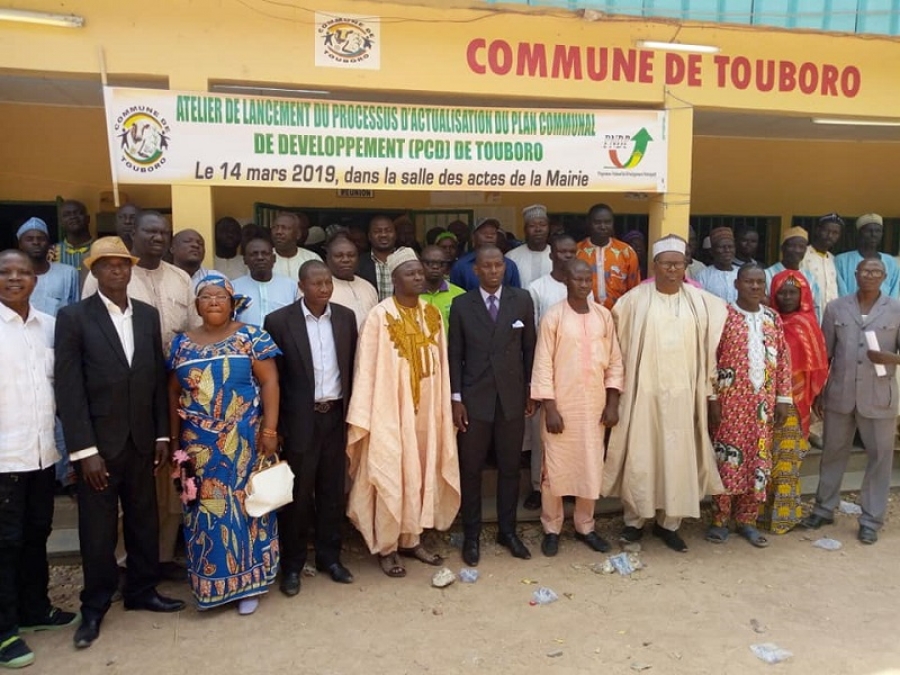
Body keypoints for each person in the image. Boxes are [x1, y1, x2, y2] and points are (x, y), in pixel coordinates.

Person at [55, 237, 185, 650]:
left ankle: (142, 590)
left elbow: (155, 380)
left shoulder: (146, 315)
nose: (117, 270)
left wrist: (161, 434)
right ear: (94, 271)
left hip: (142, 441)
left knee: (143, 519)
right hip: (98, 447)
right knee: (98, 531)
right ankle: (94, 607)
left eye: (123, 264)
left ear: (131, 270)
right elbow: (69, 389)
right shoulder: (74, 317)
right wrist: (84, 451)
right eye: (108, 265)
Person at [82, 212, 198, 576]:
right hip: (120, 398)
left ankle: (160, 557)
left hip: (172, 390)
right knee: (124, 483)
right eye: (151, 231)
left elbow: (194, 333)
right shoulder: (104, 277)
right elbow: (90, 332)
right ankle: (121, 563)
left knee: (168, 478)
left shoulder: (181, 278)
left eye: (164, 232)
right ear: (134, 232)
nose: (159, 237)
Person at [603, 235, 727, 553]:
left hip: (684, 397)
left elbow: (711, 351)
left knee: (677, 458)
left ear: (686, 266)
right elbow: (615, 349)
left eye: (678, 264)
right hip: (643, 395)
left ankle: (669, 524)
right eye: (666, 264)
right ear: (654, 265)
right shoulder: (632, 302)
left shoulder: (702, 304)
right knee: (642, 456)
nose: (673, 270)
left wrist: (711, 393)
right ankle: (634, 522)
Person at [167, 276, 281, 614]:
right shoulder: (181, 345)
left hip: (245, 442)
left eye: (220, 296)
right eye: (206, 296)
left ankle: (249, 585)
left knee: (246, 508)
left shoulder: (251, 337)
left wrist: (270, 430)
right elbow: (173, 392)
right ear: (197, 305)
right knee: (205, 513)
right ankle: (211, 585)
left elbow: (270, 381)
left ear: (232, 303)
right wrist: (174, 442)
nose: (214, 301)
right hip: (198, 446)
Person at [346, 248, 460, 578]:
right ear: (394, 279)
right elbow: (365, 370)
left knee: (421, 469)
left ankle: (411, 538)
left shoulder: (431, 314)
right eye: (410, 273)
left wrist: (444, 406)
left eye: (420, 272)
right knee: (391, 470)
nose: (419, 277)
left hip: (427, 412)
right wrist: (367, 413)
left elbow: (442, 365)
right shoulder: (379, 317)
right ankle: (387, 546)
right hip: (389, 410)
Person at [0, 250, 78, 669]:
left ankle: (34, 609)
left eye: (24, 272)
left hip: (43, 454)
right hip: (4, 459)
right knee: (5, 543)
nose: (15, 278)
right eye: (6, 272)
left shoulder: (50, 326)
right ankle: (4, 630)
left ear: (36, 279)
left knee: (36, 534)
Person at [265, 261, 357, 594]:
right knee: (298, 495)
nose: (324, 288)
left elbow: (352, 366)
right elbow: (273, 378)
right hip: (300, 419)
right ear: (301, 286)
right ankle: (291, 565)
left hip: (335, 416)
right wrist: (276, 426)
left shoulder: (345, 318)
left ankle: (330, 558)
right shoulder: (279, 321)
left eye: (328, 282)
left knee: (332, 492)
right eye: (317, 283)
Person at [800, 258, 900, 545]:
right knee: (833, 452)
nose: (870, 275)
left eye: (876, 271)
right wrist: (819, 391)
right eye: (865, 270)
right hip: (840, 394)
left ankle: (870, 520)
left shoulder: (896, 309)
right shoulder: (836, 308)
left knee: (880, 458)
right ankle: (823, 508)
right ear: (856, 274)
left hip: (879, 396)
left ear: (884, 276)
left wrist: (890, 358)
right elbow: (825, 355)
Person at [531, 259, 624, 556]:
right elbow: (543, 364)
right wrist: (550, 407)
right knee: (554, 469)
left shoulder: (603, 316)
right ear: (566, 281)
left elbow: (615, 362)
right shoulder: (553, 317)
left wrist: (612, 403)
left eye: (587, 280)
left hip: (595, 407)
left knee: (590, 466)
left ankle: (586, 525)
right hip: (562, 407)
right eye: (577, 279)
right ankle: (552, 527)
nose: (583, 285)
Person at [449, 246, 536, 565]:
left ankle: (507, 531)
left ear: (505, 267)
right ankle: (471, 535)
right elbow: (454, 353)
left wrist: (530, 389)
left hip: (511, 398)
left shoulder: (521, 299)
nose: (494, 271)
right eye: (487, 266)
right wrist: (456, 398)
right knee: (471, 469)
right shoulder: (462, 304)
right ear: (476, 270)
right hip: (474, 399)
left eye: (498, 265)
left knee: (510, 468)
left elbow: (530, 348)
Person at [706, 264, 792, 548]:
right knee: (727, 459)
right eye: (748, 282)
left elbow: (783, 360)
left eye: (759, 282)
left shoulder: (772, 318)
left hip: (763, 404)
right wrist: (712, 398)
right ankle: (720, 519)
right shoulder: (723, 316)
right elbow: (710, 360)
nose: (755, 287)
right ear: (737, 284)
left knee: (759, 459)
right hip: (730, 403)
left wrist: (783, 398)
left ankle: (747, 520)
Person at [758, 270, 828, 534]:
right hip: (764, 400)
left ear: (803, 296)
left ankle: (784, 518)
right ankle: (760, 515)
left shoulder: (806, 324)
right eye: (781, 293)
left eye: (792, 293)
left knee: (787, 461)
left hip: (795, 405)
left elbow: (819, 367)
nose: (787, 297)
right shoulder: (767, 321)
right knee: (765, 459)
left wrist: (813, 396)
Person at [523, 232, 578, 510]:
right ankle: (538, 486)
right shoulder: (537, 288)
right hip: (544, 369)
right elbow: (531, 334)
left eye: (572, 252)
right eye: (562, 252)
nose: (567, 256)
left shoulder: (582, 287)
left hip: (575, 372)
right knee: (541, 433)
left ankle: (569, 485)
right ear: (551, 254)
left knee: (571, 432)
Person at [575, 203, 640, 309]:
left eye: (607, 222)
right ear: (589, 223)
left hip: (619, 313)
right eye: (597, 222)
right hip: (584, 312)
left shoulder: (626, 252)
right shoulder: (577, 252)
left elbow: (634, 289)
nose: (603, 227)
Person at [17, 217, 79, 318]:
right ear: (20, 244)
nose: (36, 242)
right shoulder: (11, 277)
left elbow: (76, 311)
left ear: (49, 243)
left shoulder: (68, 273)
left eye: (41, 239)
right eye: (29, 239)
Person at [233, 237, 299, 326]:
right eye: (254, 254)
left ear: (274, 258)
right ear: (245, 260)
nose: (260, 258)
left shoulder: (291, 286)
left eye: (265, 253)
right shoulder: (234, 287)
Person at [323, 229, 377, 329]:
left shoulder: (368, 287)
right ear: (328, 258)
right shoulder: (321, 289)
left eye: (351, 255)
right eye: (339, 256)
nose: (346, 260)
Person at [835, 214, 900, 297]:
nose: (873, 234)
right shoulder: (842, 261)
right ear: (859, 233)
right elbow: (842, 293)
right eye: (868, 231)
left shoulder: (891, 262)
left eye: (878, 231)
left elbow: (894, 292)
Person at [765, 227, 823, 319]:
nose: (797, 250)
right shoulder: (767, 275)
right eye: (792, 246)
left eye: (801, 247)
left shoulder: (810, 278)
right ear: (782, 248)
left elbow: (816, 308)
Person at [449, 218, 521, 291]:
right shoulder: (461, 266)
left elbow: (515, 294)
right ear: (473, 237)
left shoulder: (509, 265)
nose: (489, 236)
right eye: (484, 233)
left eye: (493, 233)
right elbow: (456, 294)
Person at [800, 213, 843, 317]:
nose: (830, 236)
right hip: (809, 316)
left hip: (832, 317)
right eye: (826, 231)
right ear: (818, 230)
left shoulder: (834, 260)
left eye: (835, 233)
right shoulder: (802, 256)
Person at [420, 244, 464, 333]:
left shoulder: (460, 295)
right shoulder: (410, 294)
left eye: (441, 264)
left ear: (447, 266)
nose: (435, 267)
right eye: (429, 263)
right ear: (420, 264)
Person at [505, 204, 552, 287]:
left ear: (548, 228)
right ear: (525, 230)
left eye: (543, 225)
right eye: (532, 226)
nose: (538, 229)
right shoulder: (512, 256)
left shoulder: (557, 256)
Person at [356, 215, 398, 300]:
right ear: (369, 236)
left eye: (388, 231)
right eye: (377, 231)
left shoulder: (406, 260)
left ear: (395, 234)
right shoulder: (359, 263)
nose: (383, 235)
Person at [271, 211, 322, 280]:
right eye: (275, 227)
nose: (279, 232)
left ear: (298, 234)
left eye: (285, 228)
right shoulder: (264, 258)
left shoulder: (312, 258)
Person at [50, 200, 94, 278]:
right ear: (61, 222)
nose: (73, 217)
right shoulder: (51, 252)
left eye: (78, 213)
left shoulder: (102, 248)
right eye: (67, 215)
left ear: (88, 218)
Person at [696, 227, 739, 303]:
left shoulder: (741, 273)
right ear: (712, 251)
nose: (727, 250)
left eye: (730, 247)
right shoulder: (703, 276)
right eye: (722, 247)